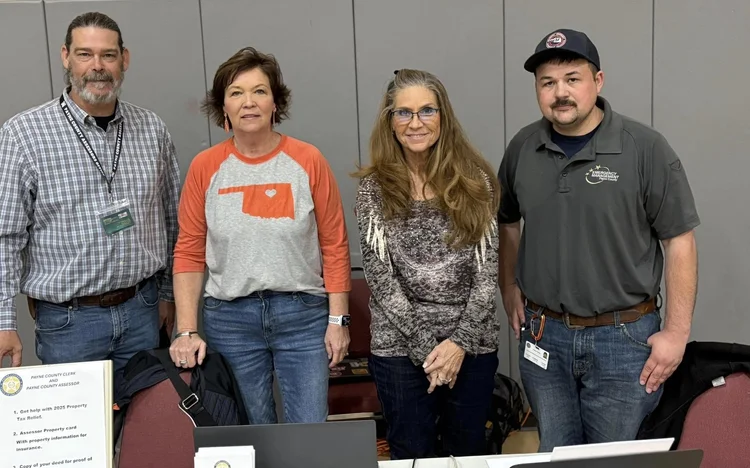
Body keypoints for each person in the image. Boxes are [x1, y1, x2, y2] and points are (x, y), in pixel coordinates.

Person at [497, 29, 700, 451]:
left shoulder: (644, 148)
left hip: (624, 341)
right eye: (548, 83)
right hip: (544, 337)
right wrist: (509, 285)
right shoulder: (522, 148)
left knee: (614, 458)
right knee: (555, 451)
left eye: (573, 78)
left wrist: (677, 332)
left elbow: (679, 240)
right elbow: (508, 222)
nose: (560, 93)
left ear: (598, 81)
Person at [169, 47, 351, 424]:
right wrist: (186, 330)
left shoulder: (308, 160)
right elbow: (188, 252)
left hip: (302, 316)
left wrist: (339, 321)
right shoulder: (204, 168)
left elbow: (334, 245)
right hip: (230, 321)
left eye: (259, 91)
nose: (248, 102)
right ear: (223, 106)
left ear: (275, 102)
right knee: (250, 434)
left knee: (310, 430)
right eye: (236, 92)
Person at [0, 12, 180, 388]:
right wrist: (4, 322)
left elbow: (172, 221)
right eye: (85, 54)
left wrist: (167, 295)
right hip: (69, 324)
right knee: (77, 426)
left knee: (146, 423)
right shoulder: (23, 134)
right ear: (66, 57)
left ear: (124, 59)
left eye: (108, 55)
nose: (97, 66)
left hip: (143, 312)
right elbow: (6, 237)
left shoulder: (152, 130)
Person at [354, 69, 501, 459]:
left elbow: (487, 275)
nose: (415, 123)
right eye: (403, 113)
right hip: (399, 351)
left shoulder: (477, 182)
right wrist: (428, 350)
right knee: (412, 455)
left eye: (426, 111)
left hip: (471, 346)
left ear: (443, 116)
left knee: (467, 455)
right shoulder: (373, 189)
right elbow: (380, 279)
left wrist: (457, 346)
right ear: (390, 122)